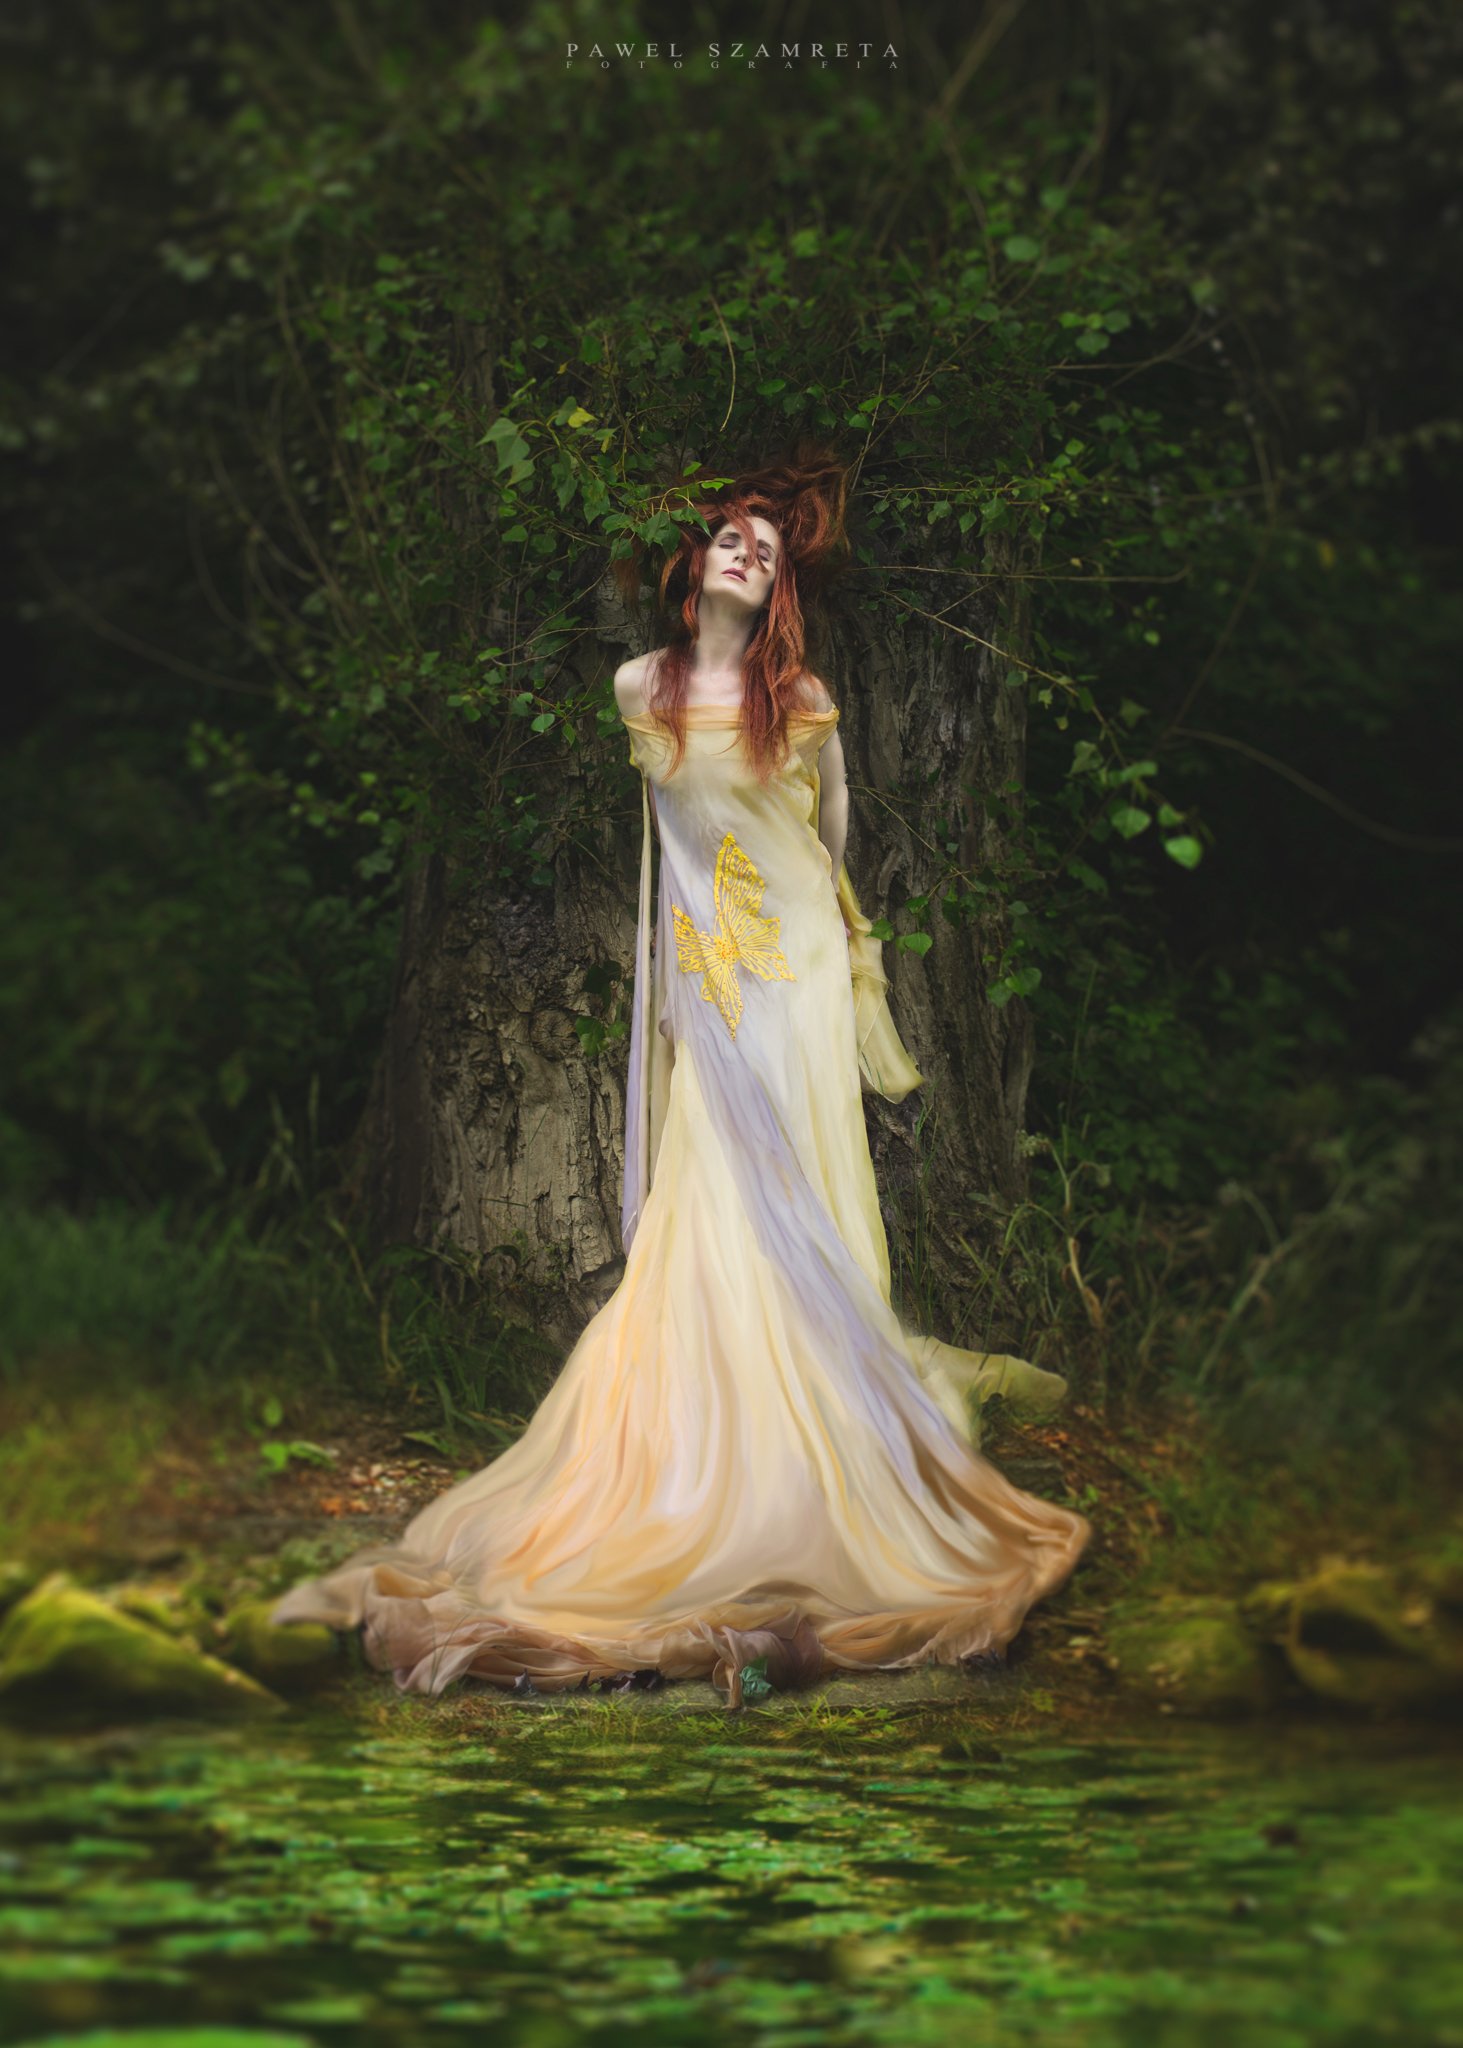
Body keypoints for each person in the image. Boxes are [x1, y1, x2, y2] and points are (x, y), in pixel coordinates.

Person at [273, 451, 1090, 1707]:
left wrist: (825, 952)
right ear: (693, 559)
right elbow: (668, 845)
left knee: (808, 1191)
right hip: (709, 985)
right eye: (730, 538)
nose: (746, 554)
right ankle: (712, 1444)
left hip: (794, 972)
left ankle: (822, 1434)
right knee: (707, 1199)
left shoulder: (797, 695)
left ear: (778, 590)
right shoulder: (638, 687)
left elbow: (830, 829)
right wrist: (682, 981)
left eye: (767, 550)